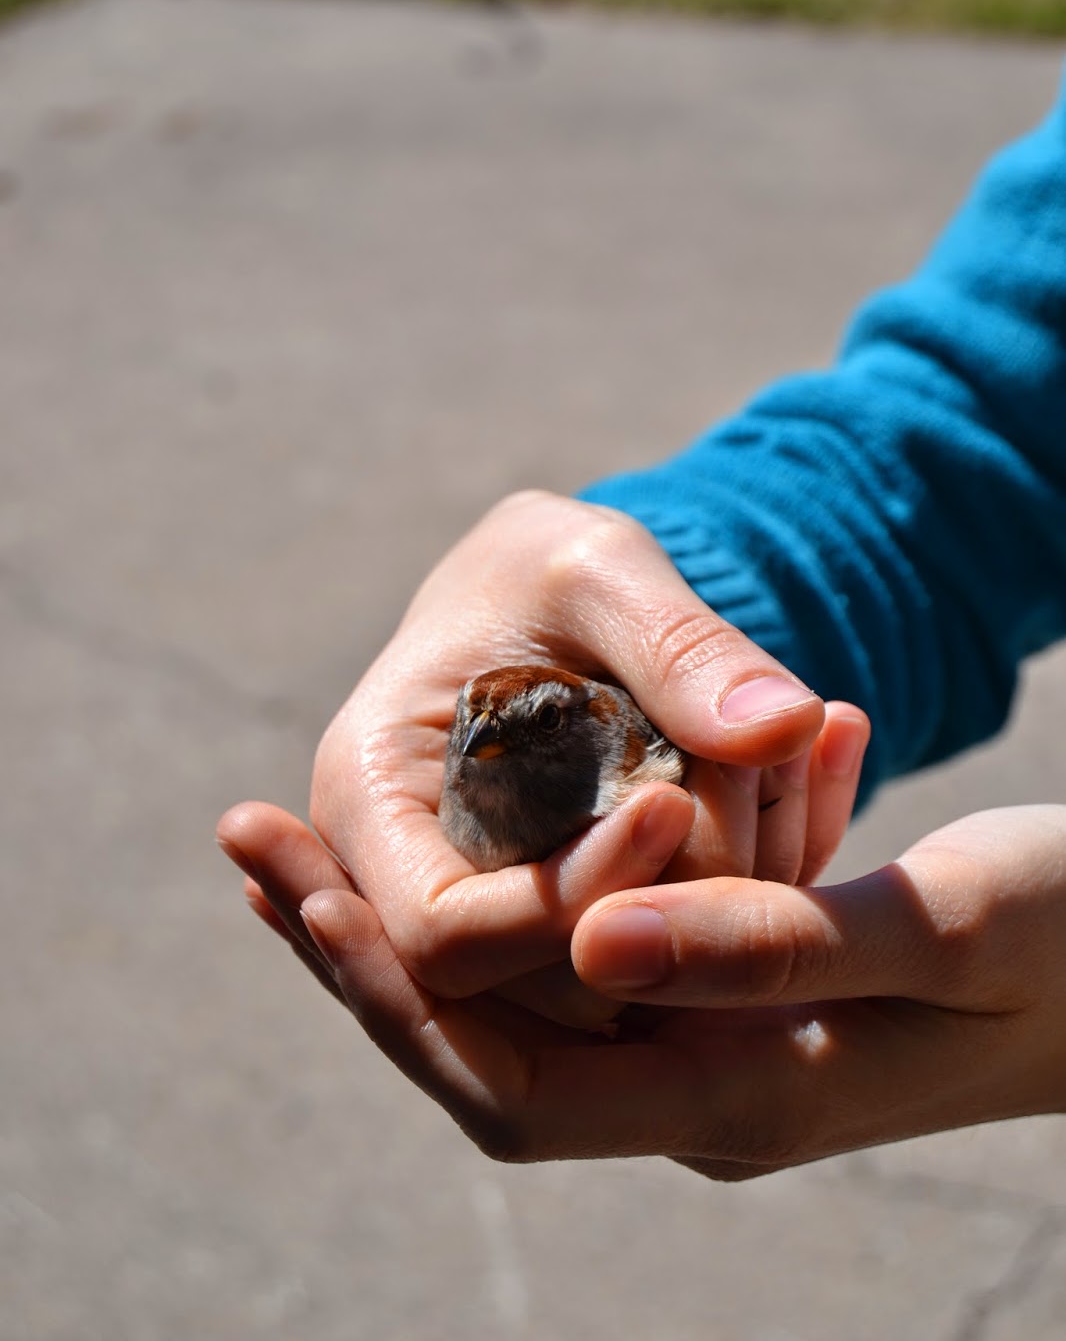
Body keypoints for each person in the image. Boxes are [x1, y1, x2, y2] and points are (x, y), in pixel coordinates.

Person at [218, 72, 1066, 1177]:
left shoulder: (629, 769)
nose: (481, 753)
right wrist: (664, 584)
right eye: (480, 738)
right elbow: (991, 417)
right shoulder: (486, 769)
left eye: (521, 729)